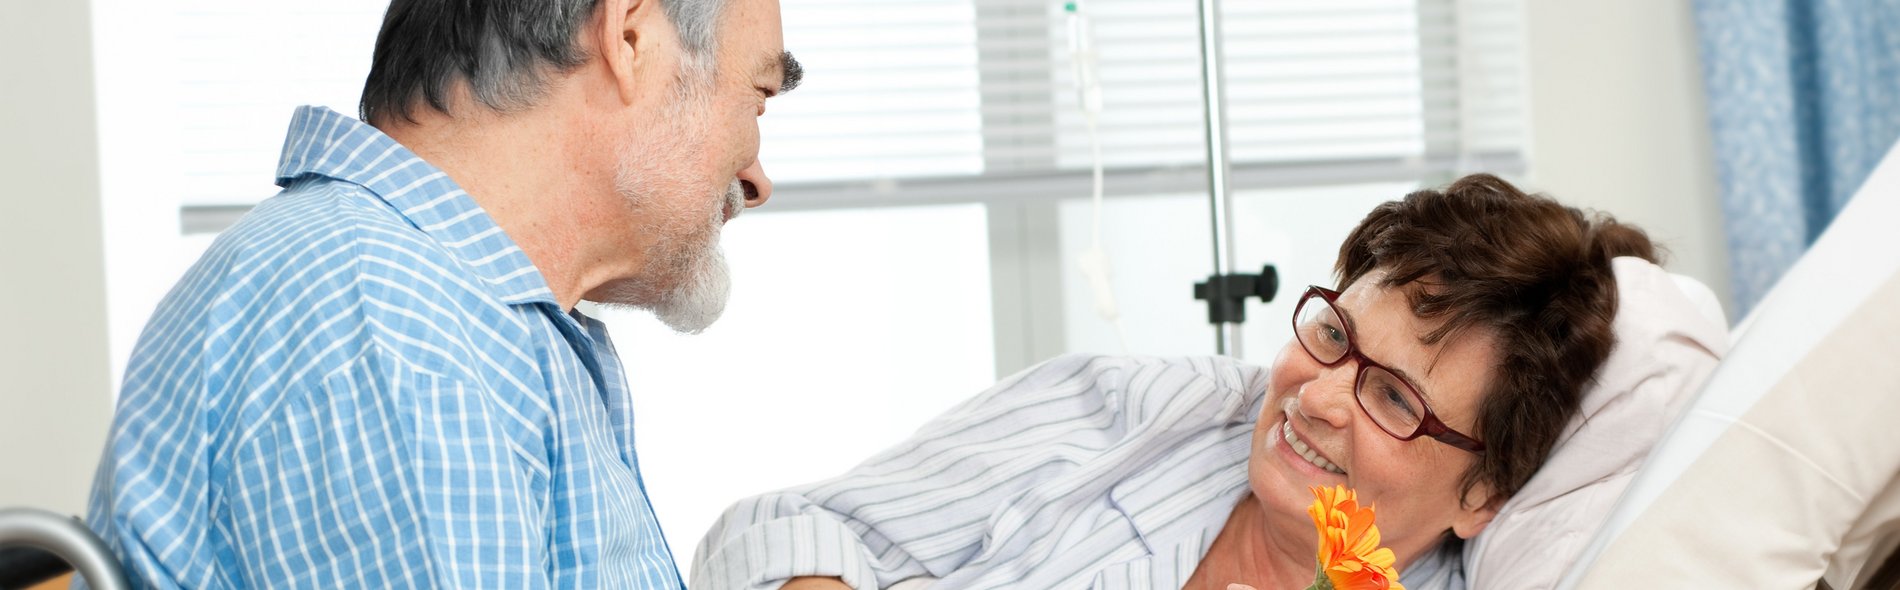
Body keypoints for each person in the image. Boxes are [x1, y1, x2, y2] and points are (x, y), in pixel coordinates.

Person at [85, 0, 801, 587]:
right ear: (631, 37)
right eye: (757, 99)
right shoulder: (389, 324)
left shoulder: (462, 312)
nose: (758, 181)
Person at [693, 174, 1655, 590]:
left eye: (1395, 398)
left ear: (1484, 492)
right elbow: (773, 529)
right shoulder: (1139, 408)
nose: (1316, 397)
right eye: (1332, 335)